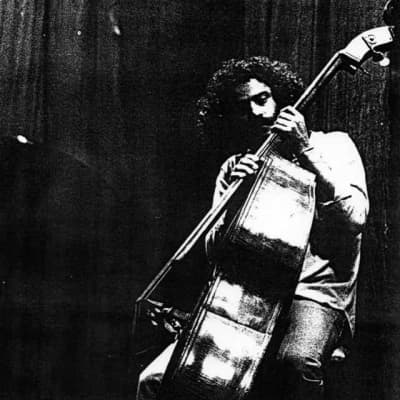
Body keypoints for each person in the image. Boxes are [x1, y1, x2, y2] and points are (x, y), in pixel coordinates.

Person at [136, 56, 369, 400]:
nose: (258, 113)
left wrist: (305, 150)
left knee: (295, 363)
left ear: (282, 97)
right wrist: (235, 201)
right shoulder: (236, 166)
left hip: (314, 295)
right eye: (243, 108)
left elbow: (354, 219)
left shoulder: (333, 146)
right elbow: (215, 253)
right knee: (154, 380)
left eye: (262, 99)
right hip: (248, 300)